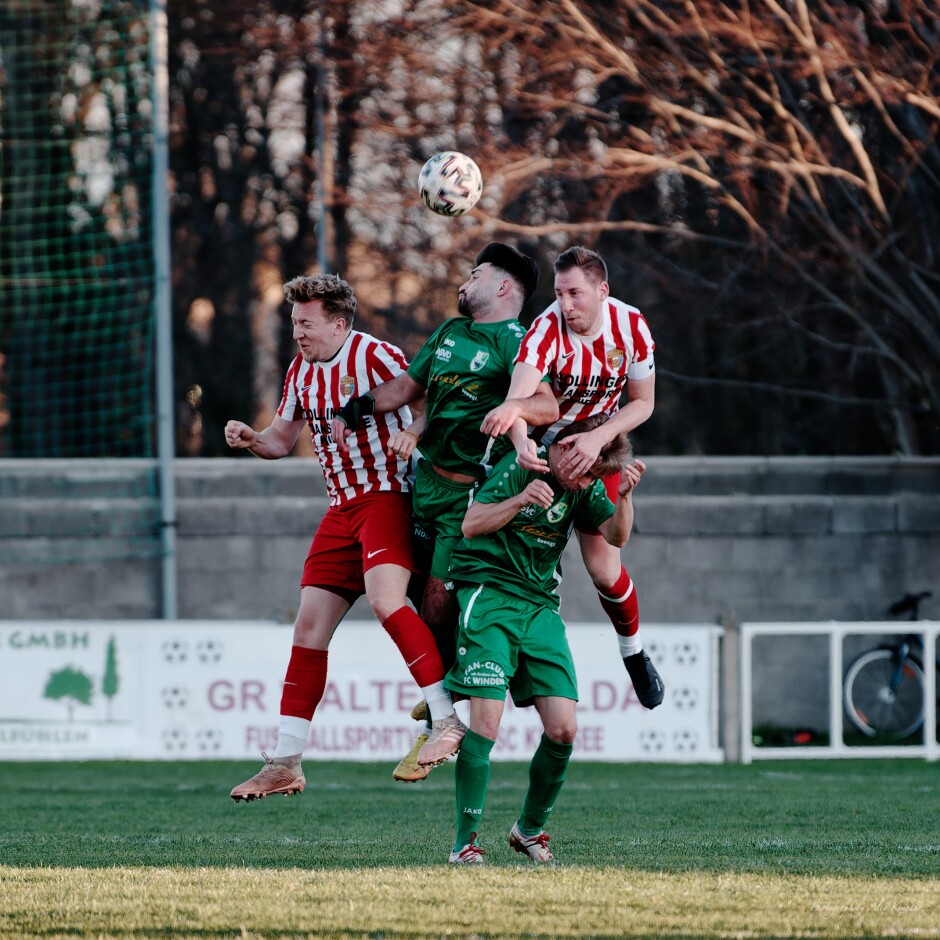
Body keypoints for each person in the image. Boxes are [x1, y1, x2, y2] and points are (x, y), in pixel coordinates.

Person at [224, 273, 465, 802]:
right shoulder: (300, 370)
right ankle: (285, 760)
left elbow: (429, 399)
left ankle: (446, 720)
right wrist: (250, 439)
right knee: (308, 628)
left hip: (387, 496)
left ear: (338, 323)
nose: (297, 334)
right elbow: (281, 441)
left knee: (385, 601)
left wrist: (412, 434)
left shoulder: (374, 356)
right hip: (340, 510)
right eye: (293, 323)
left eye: (305, 324)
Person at [332, 243, 558, 782]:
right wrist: (360, 407)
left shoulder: (518, 343)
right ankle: (447, 690)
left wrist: (515, 407)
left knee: (436, 599)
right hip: (422, 485)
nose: (466, 280)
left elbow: (547, 405)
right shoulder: (448, 333)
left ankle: (448, 711)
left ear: (503, 288)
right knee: (406, 594)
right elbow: (409, 387)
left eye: (476, 274)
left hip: (466, 498)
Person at [445, 414, 646, 864]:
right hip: (491, 595)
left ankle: (528, 830)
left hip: (540, 607)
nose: (589, 480)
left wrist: (626, 497)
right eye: (588, 469)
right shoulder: (523, 465)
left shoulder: (585, 488)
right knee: (487, 725)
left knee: (564, 728)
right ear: (567, 449)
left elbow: (617, 535)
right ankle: (464, 844)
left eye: (598, 474)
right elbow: (471, 524)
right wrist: (518, 501)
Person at [481, 245, 663, 709]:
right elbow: (517, 399)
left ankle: (634, 652)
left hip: (594, 448)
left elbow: (643, 403)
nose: (565, 305)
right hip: (545, 454)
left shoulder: (631, 327)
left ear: (602, 291)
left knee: (605, 569)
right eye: (560, 293)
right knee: (504, 553)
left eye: (575, 294)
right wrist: (522, 443)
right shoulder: (545, 331)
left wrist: (600, 437)